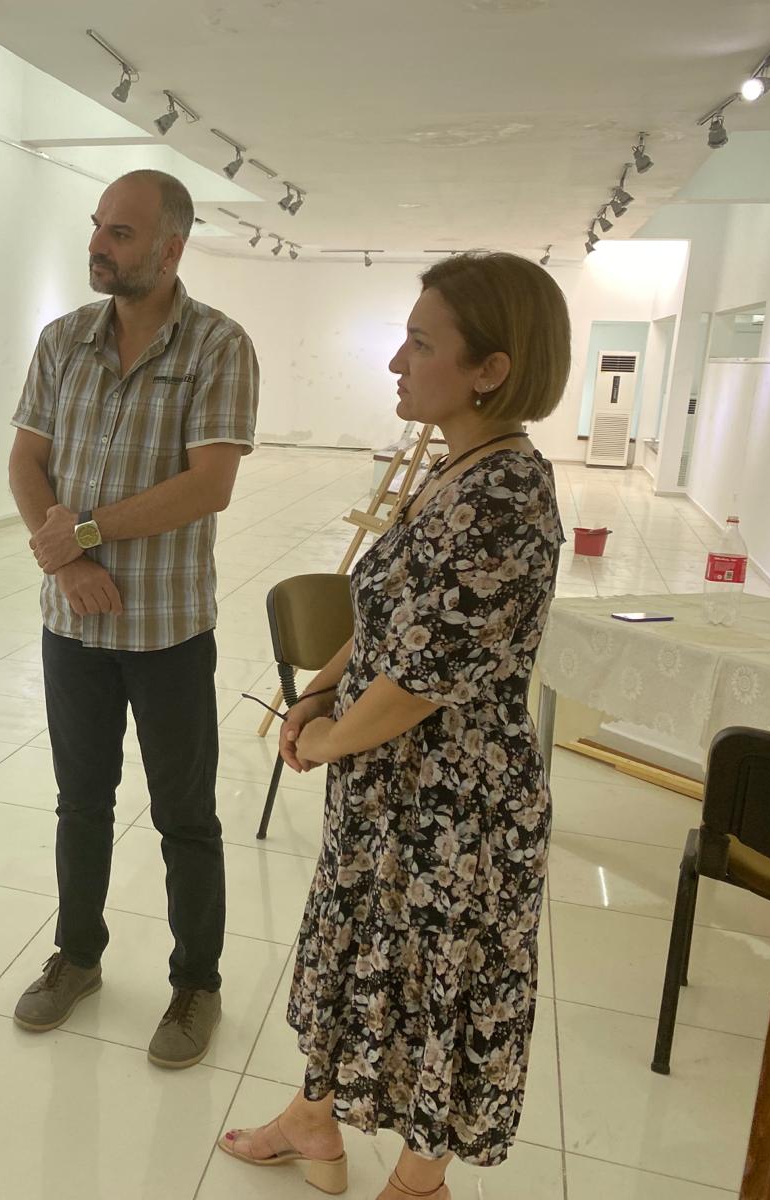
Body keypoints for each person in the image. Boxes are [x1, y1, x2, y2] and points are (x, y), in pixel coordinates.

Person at [218, 252, 570, 1199]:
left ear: (490, 368)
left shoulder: (506, 496)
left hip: (456, 808)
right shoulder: (454, 470)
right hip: (392, 788)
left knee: (437, 987)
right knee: (356, 955)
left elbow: (423, 677)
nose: (395, 363)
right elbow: (385, 624)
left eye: (420, 343)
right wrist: (316, 694)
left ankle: (419, 1183)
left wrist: (327, 736)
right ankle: (314, 1120)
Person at [6, 169, 260, 1069]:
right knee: (81, 803)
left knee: (185, 816)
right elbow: (26, 460)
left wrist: (86, 529)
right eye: (97, 227)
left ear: (170, 249)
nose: (98, 245)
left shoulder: (219, 346)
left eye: (120, 233)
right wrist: (69, 562)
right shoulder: (62, 341)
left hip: (167, 631)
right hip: (73, 627)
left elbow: (208, 485)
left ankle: (197, 984)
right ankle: (77, 957)